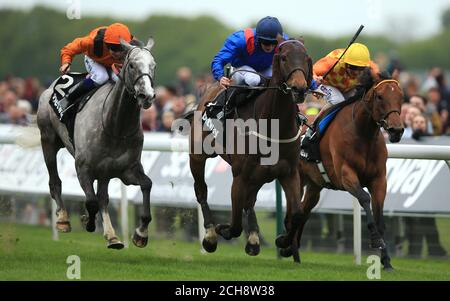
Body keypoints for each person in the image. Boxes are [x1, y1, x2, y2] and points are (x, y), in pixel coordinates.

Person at [58, 23, 134, 118]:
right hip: (94, 59)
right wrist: (66, 62)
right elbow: (69, 49)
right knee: (101, 77)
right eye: (115, 49)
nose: (118, 53)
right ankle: (69, 98)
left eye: (122, 48)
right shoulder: (90, 42)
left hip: (113, 65)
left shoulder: (133, 44)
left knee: (121, 81)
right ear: (106, 44)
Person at [211, 16, 288, 89]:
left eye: (274, 43)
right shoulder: (241, 40)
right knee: (253, 80)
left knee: (278, 81)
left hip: (265, 68)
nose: (270, 47)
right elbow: (219, 60)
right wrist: (220, 77)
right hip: (240, 68)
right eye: (266, 42)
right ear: (258, 39)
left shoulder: (284, 42)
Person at [312, 43, 380, 108]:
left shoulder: (371, 68)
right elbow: (311, 71)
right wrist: (314, 80)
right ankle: (318, 119)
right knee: (338, 101)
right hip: (327, 84)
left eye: (361, 68)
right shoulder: (332, 63)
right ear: (345, 63)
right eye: (353, 67)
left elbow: (381, 82)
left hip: (347, 89)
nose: (356, 72)